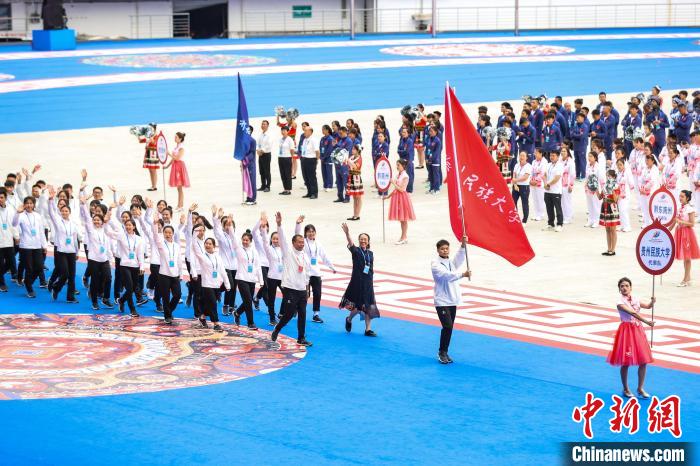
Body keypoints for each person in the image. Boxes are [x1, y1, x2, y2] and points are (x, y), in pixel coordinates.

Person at [607, 277, 655, 398]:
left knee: (644, 361)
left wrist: (652, 302)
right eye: (622, 286)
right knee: (626, 362)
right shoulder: (620, 303)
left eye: (626, 285)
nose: (624, 288)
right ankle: (626, 388)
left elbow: (648, 306)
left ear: (631, 287)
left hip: (638, 331)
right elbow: (633, 313)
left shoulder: (636, 299)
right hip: (626, 333)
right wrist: (647, 322)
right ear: (619, 289)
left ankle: (640, 388)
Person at [271, 212, 313, 347]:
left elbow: (307, 274)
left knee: (302, 314)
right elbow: (282, 239)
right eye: (299, 242)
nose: (302, 244)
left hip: (302, 290)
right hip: (290, 288)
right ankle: (277, 328)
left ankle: (301, 337)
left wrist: (307, 289)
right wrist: (279, 224)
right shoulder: (288, 252)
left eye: (303, 242)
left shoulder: (305, 256)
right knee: (289, 314)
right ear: (293, 243)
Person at [431, 236, 471, 364]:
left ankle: (445, 352)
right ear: (438, 250)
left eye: (447, 249)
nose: (445, 251)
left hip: (453, 300)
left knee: (450, 327)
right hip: (441, 301)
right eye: (442, 249)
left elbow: (459, 259)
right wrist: (462, 275)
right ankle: (441, 352)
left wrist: (463, 245)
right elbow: (446, 276)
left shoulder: (450, 263)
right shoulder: (435, 264)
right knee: (447, 326)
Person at [340, 222, 379, 337]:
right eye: (361, 239)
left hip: (368, 284)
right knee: (358, 307)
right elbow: (351, 243)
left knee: (369, 306)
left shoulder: (370, 254)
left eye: (365, 239)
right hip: (357, 283)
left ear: (368, 241)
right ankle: (349, 318)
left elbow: (370, 268)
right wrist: (347, 233)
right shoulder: (356, 251)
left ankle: (368, 329)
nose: (363, 241)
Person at [105, 212, 146, 317]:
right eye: (126, 225)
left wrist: (142, 266)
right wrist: (106, 221)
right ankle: (132, 309)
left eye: (130, 225)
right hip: (124, 265)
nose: (128, 227)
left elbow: (140, 254)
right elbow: (108, 232)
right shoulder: (121, 236)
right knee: (129, 287)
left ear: (134, 227)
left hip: (135, 266)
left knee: (132, 288)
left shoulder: (139, 239)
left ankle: (122, 300)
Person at [151, 211, 188, 324]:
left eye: (169, 232)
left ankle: (169, 311)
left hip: (175, 275)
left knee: (177, 295)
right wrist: (155, 223)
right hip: (164, 275)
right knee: (165, 297)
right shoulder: (161, 244)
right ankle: (167, 315)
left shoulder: (176, 246)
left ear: (173, 234)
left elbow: (179, 261)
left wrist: (181, 274)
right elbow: (156, 236)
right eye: (165, 232)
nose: (168, 234)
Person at [47, 186, 81, 303]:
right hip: (61, 251)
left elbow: (75, 239)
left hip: (71, 251)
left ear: (69, 212)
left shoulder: (73, 224)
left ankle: (70, 297)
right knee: (65, 274)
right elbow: (51, 212)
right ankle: (56, 287)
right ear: (60, 212)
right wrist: (51, 200)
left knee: (72, 276)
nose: (64, 212)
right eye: (63, 211)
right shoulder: (58, 221)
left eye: (67, 211)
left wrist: (76, 251)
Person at [79, 196, 113, 310]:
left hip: (104, 259)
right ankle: (94, 302)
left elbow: (107, 218)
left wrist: (111, 209)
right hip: (94, 260)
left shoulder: (105, 229)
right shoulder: (90, 229)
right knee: (95, 281)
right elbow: (87, 219)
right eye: (95, 220)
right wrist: (83, 205)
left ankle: (106, 299)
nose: (96, 221)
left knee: (108, 278)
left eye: (99, 220)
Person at [12, 196, 47, 298]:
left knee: (39, 267)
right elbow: (14, 224)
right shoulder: (21, 215)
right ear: (24, 204)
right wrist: (17, 213)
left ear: (34, 204)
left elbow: (41, 231)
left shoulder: (38, 216)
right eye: (27, 203)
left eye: (31, 203)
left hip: (37, 246)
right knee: (29, 268)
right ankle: (29, 288)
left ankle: (28, 281)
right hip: (25, 246)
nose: (29, 205)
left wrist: (44, 245)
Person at [303, 222, 337, 324]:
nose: (311, 233)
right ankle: (299, 310)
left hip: (316, 272)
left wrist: (332, 267)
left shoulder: (318, 244)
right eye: (309, 232)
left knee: (317, 294)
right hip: (306, 273)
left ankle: (316, 314)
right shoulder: (303, 242)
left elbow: (324, 256)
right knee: (305, 294)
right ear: (305, 233)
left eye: (313, 231)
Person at [212, 210, 238, 316]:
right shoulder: (222, 236)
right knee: (230, 285)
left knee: (234, 287)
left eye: (230, 225)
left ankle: (231, 305)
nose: (228, 227)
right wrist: (217, 218)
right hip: (225, 265)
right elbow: (216, 230)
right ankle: (225, 305)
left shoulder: (235, 237)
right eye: (226, 225)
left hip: (235, 266)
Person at [671, 190, 699, 286]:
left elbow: (692, 223)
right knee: (685, 257)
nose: (680, 198)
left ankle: (685, 279)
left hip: (687, 234)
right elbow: (675, 221)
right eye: (679, 196)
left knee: (687, 257)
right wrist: (666, 230)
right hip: (679, 232)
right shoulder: (680, 208)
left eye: (682, 196)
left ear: (687, 198)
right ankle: (688, 278)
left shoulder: (690, 209)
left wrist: (680, 221)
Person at [387, 159, 415, 245]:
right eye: (397, 165)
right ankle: (403, 237)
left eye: (398, 165)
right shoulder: (398, 175)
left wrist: (393, 183)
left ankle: (404, 237)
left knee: (404, 219)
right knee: (401, 219)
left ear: (403, 166)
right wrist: (388, 196)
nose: (397, 167)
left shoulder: (405, 176)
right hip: (397, 197)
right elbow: (396, 189)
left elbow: (402, 189)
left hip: (402, 198)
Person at [164, 132, 189, 211]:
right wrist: (167, 166)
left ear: (180, 139)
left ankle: (180, 205)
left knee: (180, 187)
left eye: (176, 137)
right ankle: (179, 205)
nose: (175, 138)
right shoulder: (176, 147)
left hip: (179, 166)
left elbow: (177, 158)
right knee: (178, 188)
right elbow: (173, 159)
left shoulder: (181, 148)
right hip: (175, 166)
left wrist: (169, 154)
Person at [598, 169, 621, 255]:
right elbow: (600, 197)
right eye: (607, 176)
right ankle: (608, 249)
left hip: (612, 206)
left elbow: (615, 199)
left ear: (614, 177)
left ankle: (613, 249)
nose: (608, 178)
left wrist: (612, 191)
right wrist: (595, 188)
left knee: (613, 229)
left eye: (610, 176)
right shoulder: (605, 186)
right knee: (607, 229)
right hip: (605, 205)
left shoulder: (616, 186)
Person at [0, 188, 18, 292]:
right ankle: (2, 283)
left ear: (5, 198)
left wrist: (16, 236)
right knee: (1, 264)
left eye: (2, 197)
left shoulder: (10, 209)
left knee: (11, 262)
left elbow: (13, 225)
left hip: (8, 241)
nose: (0, 199)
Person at [542, 150, 563, 232]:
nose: (551, 157)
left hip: (556, 191)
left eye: (553, 155)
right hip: (547, 191)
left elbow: (557, 178)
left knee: (558, 208)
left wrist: (548, 184)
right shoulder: (548, 165)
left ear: (558, 157)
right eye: (551, 155)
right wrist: (545, 184)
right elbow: (544, 175)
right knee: (549, 208)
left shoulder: (560, 165)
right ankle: (550, 223)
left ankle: (559, 224)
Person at [638, 153, 660, 227]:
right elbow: (640, 179)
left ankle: (652, 223)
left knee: (651, 208)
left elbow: (652, 181)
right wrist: (641, 188)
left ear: (653, 161)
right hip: (643, 191)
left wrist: (645, 188)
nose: (647, 162)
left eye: (648, 160)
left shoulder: (655, 169)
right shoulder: (645, 168)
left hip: (651, 191)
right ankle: (646, 223)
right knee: (644, 208)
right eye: (646, 160)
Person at [138, 123, 160, 191]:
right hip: (148, 153)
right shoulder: (149, 135)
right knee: (150, 170)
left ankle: (154, 186)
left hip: (153, 154)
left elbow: (154, 143)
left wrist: (150, 137)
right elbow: (141, 141)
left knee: (153, 170)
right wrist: (137, 134)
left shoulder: (157, 136)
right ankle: (153, 185)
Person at [511, 151, 532, 223]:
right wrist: (515, 184)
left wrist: (515, 180)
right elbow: (514, 175)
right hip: (516, 186)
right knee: (513, 202)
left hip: (524, 187)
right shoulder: (516, 165)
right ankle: (515, 217)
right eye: (520, 155)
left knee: (524, 203)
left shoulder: (528, 166)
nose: (521, 157)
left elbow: (525, 177)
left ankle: (524, 220)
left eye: (523, 156)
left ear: (526, 158)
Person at [346, 144, 364, 221]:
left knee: (358, 197)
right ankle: (354, 214)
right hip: (351, 177)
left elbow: (355, 166)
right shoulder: (352, 157)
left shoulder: (359, 158)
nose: (352, 150)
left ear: (357, 151)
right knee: (354, 197)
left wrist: (348, 161)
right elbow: (347, 164)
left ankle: (357, 214)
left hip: (356, 178)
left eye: (354, 149)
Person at [615, 158, 633, 233]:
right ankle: (622, 225)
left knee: (624, 210)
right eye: (618, 165)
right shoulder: (618, 173)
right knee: (620, 210)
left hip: (625, 194)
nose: (619, 166)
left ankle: (627, 226)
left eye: (620, 165)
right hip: (619, 195)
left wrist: (629, 192)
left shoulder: (627, 172)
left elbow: (631, 183)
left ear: (624, 165)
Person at [530, 148, 548, 221]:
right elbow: (531, 171)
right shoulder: (533, 161)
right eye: (534, 153)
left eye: (536, 153)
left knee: (540, 199)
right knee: (535, 199)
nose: (535, 154)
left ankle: (541, 214)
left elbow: (542, 173)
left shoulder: (545, 161)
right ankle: (536, 214)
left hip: (540, 183)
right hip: (533, 182)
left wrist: (536, 180)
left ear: (541, 153)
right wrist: (531, 180)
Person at [278, 126, 295, 196]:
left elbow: (292, 150)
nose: (283, 132)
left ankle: (288, 190)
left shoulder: (290, 139)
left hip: (287, 158)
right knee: (283, 174)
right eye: (282, 130)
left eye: (285, 130)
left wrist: (291, 157)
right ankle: (285, 188)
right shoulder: (280, 139)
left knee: (287, 174)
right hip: (281, 157)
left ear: (287, 131)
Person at [560, 147, 576, 224]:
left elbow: (573, 174)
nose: (563, 152)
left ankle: (568, 217)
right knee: (561, 201)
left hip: (567, 184)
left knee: (567, 201)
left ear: (568, 152)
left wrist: (571, 185)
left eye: (564, 151)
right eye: (562, 151)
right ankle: (563, 216)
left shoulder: (570, 161)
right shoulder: (560, 161)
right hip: (560, 184)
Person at [397, 127, 415, 193]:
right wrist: (402, 151)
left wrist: (401, 151)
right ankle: (404, 188)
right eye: (402, 132)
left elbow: (407, 151)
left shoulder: (409, 141)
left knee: (409, 174)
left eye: (405, 132)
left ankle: (409, 190)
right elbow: (398, 150)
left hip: (408, 160)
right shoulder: (401, 140)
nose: (403, 133)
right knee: (403, 174)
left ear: (408, 133)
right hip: (402, 160)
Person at [425, 125, 443, 194]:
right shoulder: (429, 139)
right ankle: (431, 188)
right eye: (430, 131)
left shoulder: (437, 140)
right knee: (431, 175)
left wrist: (431, 159)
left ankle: (437, 189)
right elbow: (427, 150)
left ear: (436, 132)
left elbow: (436, 152)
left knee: (436, 175)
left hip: (435, 160)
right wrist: (426, 158)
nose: (430, 133)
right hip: (429, 160)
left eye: (432, 131)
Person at [257, 120, 272, 192]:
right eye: (262, 124)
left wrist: (262, 150)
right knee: (261, 171)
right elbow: (258, 144)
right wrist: (258, 150)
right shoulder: (261, 134)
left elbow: (269, 145)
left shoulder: (269, 135)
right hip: (260, 154)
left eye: (265, 124)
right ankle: (263, 185)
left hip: (266, 154)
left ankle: (268, 186)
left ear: (268, 126)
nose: (263, 125)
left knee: (267, 171)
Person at [319, 124, 335, 192]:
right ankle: (325, 185)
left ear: (327, 130)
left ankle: (330, 186)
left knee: (329, 172)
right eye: (322, 129)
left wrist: (324, 157)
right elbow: (320, 147)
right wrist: (321, 156)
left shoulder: (330, 139)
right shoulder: (322, 138)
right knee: (324, 172)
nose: (322, 131)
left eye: (323, 129)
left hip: (328, 158)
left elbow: (329, 150)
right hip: (323, 158)